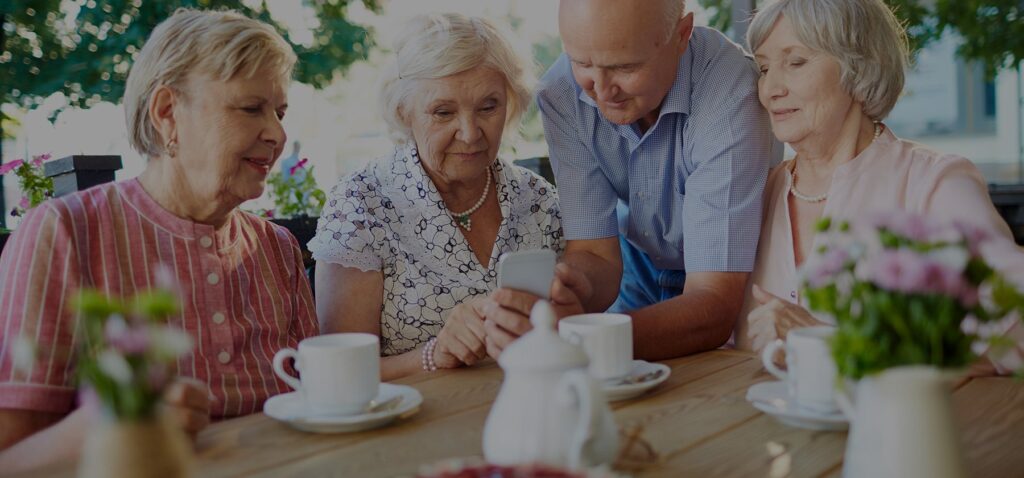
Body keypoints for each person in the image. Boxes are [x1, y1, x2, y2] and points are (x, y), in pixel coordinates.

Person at [0, 9, 318, 471]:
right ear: (168, 113)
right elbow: (8, 458)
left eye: (279, 111)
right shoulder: (64, 233)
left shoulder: (277, 247)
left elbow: (318, 401)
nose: (277, 133)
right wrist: (112, 422)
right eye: (251, 108)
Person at [482, 0, 778, 361]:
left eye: (625, 67)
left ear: (681, 35)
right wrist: (569, 288)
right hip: (637, 264)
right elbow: (594, 253)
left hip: (732, 283)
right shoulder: (562, 91)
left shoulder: (729, 89)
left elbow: (715, 303)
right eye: (583, 62)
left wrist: (583, 341)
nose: (601, 91)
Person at [736, 0, 1019, 358]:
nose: (771, 88)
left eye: (796, 62)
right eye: (763, 68)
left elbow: (1015, 317)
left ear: (858, 67)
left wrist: (834, 343)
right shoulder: (753, 194)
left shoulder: (933, 183)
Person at [309, 13, 563, 381]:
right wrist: (433, 354)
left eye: (488, 107)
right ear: (403, 112)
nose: (470, 133)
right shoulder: (361, 204)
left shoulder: (537, 198)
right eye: (443, 112)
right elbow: (336, 374)